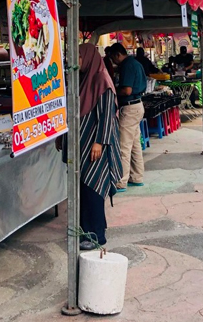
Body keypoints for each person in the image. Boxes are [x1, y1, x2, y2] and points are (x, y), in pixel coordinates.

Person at [56, 44, 122, 250]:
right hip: (80, 146)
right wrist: (62, 136)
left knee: (93, 188)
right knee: (82, 189)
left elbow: (107, 116)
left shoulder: (101, 80)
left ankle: (96, 236)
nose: (75, 62)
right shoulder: (82, 80)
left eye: (78, 57)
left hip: (94, 148)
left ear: (88, 57)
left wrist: (100, 142)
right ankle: (88, 230)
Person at [108, 43, 146, 191]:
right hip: (137, 106)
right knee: (135, 144)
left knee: (124, 146)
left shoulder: (127, 65)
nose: (113, 62)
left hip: (130, 108)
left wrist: (112, 91)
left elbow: (127, 90)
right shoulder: (135, 63)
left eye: (113, 58)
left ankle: (121, 181)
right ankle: (137, 177)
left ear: (118, 54)